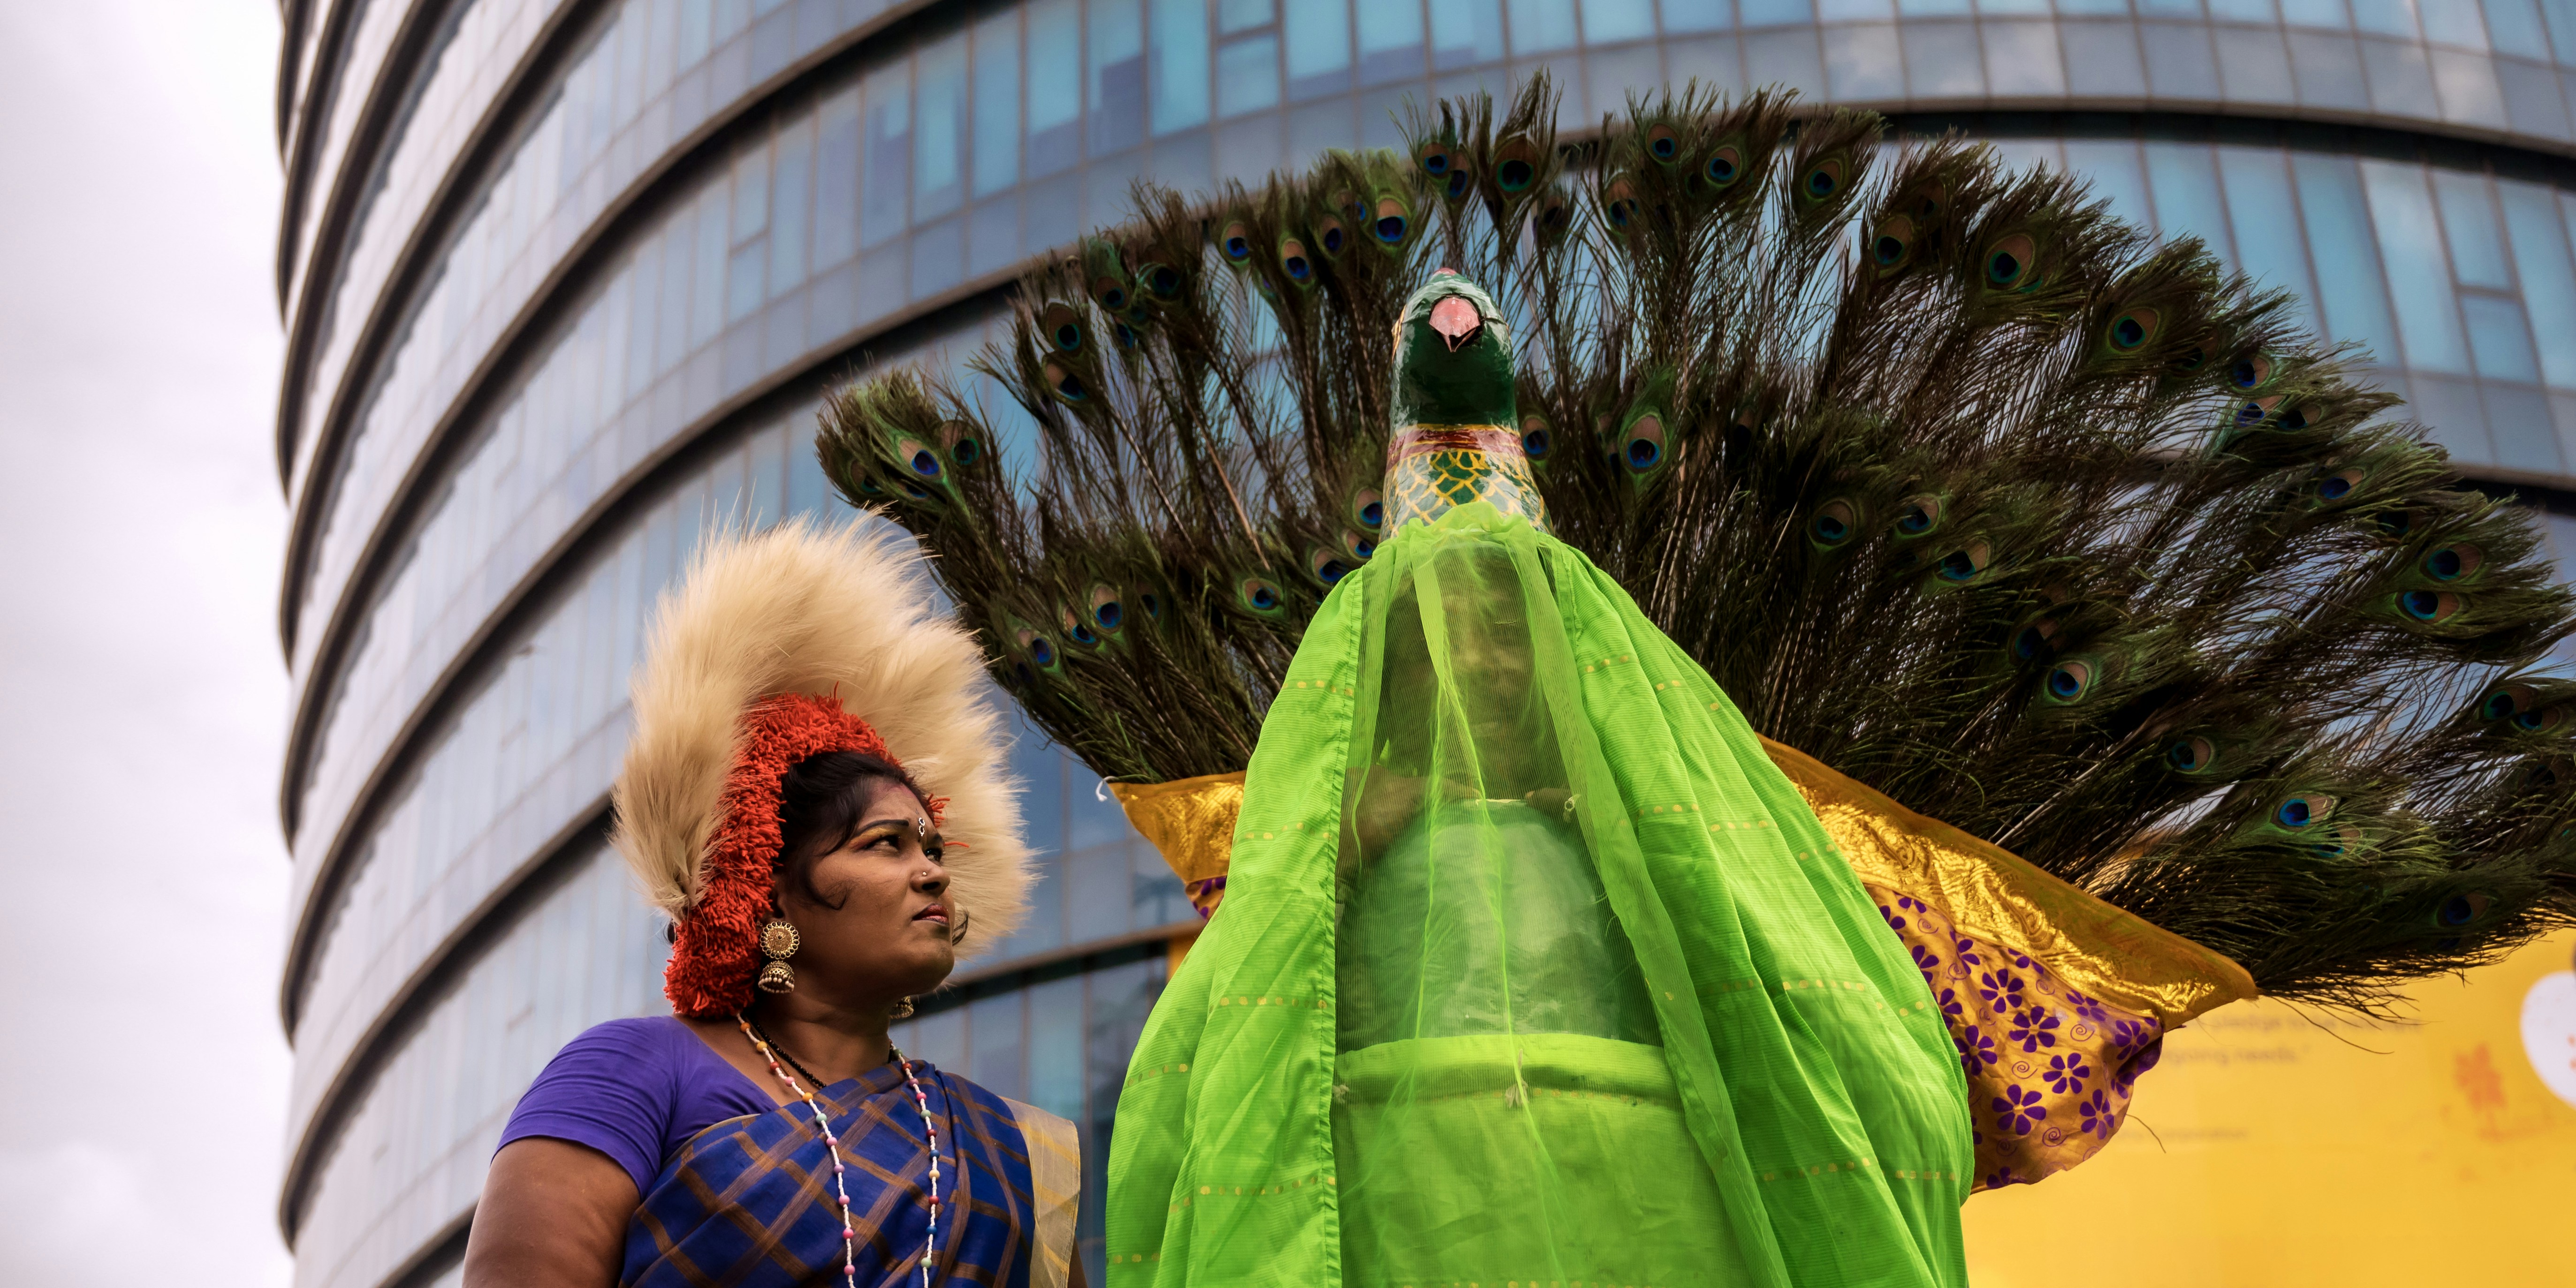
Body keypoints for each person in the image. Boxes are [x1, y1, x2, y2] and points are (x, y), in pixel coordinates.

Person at [462, 519, 1075, 1288]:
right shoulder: (635, 1071)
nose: (933, 875)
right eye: (887, 844)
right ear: (768, 882)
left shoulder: (1001, 1147)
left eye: (934, 851)